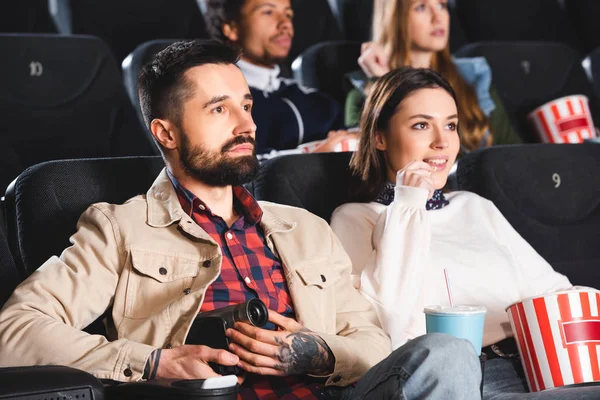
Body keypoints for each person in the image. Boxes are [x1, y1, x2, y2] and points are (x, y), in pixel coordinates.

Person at [0, 40, 483, 400]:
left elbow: (375, 343)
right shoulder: (118, 228)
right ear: (165, 132)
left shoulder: (305, 227)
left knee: (448, 353)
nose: (247, 123)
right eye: (219, 109)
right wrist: (151, 363)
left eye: (246, 106)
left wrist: (317, 353)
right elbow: (14, 332)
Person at [331, 66, 600, 399]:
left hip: (540, 364)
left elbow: (554, 291)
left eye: (451, 125)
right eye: (421, 125)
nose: (442, 142)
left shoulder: (474, 206)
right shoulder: (356, 218)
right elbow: (390, 329)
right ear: (380, 137)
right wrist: (408, 204)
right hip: (465, 378)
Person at [345, 0, 521, 152]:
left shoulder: (473, 78)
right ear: (394, 17)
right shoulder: (361, 96)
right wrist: (383, 82)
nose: (438, 18)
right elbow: (382, 165)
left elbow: (512, 151)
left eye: (441, 5)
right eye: (421, 7)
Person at [205, 0, 359, 158]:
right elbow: (231, 165)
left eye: (288, 14)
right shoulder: (215, 103)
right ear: (232, 28)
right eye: (268, 12)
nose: (285, 23)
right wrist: (311, 160)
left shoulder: (313, 100)